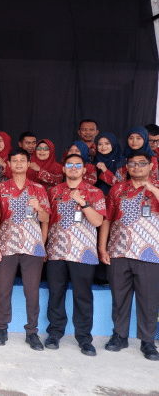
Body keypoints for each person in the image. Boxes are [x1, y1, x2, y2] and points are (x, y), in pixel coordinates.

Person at [98, 151, 159, 361]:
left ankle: (148, 341)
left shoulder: (156, 187)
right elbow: (107, 219)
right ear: (127, 166)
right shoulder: (118, 189)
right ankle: (119, 336)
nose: (137, 166)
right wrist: (102, 248)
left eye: (142, 163)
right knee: (120, 298)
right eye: (132, 163)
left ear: (151, 166)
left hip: (150, 254)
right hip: (119, 251)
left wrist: (152, 188)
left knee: (148, 300)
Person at [44, 153, 105, 356]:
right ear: (63, 169)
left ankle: (84, 339)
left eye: (78, 165)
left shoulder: (95, 192)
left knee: (83, 296)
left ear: (84, 169)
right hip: (57, 251)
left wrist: (83, 202)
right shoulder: (53, 191)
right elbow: (46, 220)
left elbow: (98, 221)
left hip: (83, 253)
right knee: (56, 294)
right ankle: (54, 334)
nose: (73, 168)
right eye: (69, 164)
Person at [0, 148, 50, 350]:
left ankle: (32, 332)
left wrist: (39, 209)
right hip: (7, 245)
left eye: (22, 160)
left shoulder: (38, 188)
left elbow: (46, 219)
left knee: (32, 292)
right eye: (14, 160)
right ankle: (1, 329)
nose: (18, 164)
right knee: (3, 290)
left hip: (33, 247)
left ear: (28, 163)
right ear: (8, 164)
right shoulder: (0, 188)